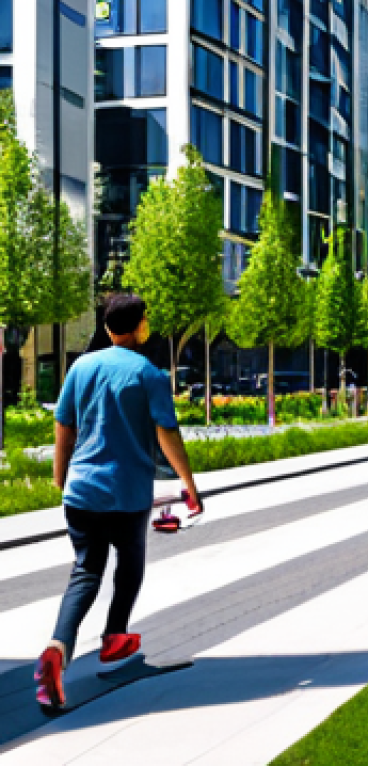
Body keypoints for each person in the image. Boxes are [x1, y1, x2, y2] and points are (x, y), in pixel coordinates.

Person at [34, 293, 202, 710]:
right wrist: (189, 485)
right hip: (126, 492)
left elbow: (64, 426)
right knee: (129, 561)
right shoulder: (149, 373)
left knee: (86, 571)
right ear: (140, 325)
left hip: (81, 491)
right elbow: (167, 432)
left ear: (107, 327)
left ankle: (57, 648)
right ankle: (114, 638)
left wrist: (60, 477)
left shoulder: (81, 367)